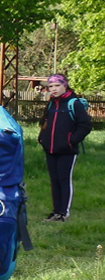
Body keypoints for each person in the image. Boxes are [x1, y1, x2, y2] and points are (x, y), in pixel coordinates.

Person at [37, 73, 91, 222]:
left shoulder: (74, 104)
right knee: (54, 180)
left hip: (67, 150)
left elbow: (85, 126)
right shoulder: (51, 103)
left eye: (57, 85)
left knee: (63, 180)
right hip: (50, 149)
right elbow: (45, 122)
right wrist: (42, 138)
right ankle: (55, 212)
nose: (54, 89)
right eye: (51, 86)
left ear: (65, 86)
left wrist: (70, 141)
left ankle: (63, 213)